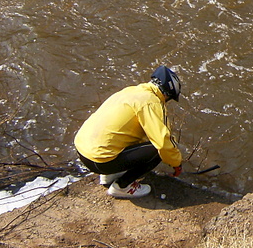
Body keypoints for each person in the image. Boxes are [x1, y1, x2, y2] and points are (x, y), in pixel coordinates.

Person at [74, 65, 184, 199]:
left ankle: (108, 176)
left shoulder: (130, 91)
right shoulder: (152, 102)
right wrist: (176, 163)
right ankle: (122, 186)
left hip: (83, 151)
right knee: (157, 149)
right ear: (166, 93)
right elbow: (163, 142)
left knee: (130, 134)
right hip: (100, 160)